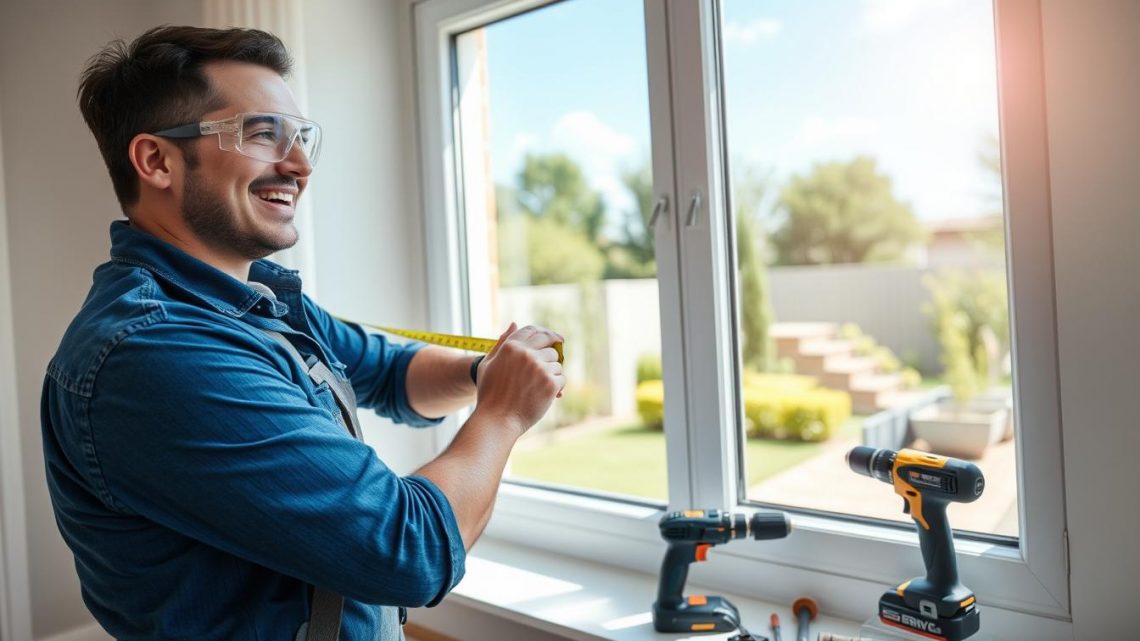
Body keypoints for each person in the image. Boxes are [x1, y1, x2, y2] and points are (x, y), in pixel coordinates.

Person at [41, 25, 565, 641]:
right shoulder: (157, 354)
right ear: (157, 160)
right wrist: (502, 413)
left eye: (301, 137)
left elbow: (390, 374)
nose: (299, 165)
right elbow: (408, 550)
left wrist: (482, 373)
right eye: (263, 134)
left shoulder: (258, 300)